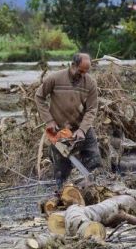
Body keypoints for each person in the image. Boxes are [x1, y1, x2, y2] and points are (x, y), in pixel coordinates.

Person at [35, 53, 102, 189]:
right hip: (59, 129)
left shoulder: (90, 83)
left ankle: (90, 188)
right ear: (73, 65)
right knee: (61, 169)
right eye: (80, 71)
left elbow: (92, 109)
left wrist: (82, 129)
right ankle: (62, 192)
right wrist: (49, 121)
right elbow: (39, 96)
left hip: (81, 126)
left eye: (86, 72)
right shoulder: (55, 78)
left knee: (94, 160)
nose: (82, 74)